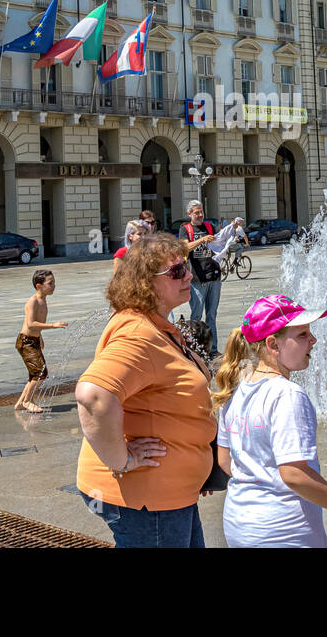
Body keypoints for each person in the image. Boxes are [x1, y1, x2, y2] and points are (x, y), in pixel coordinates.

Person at [75, 232, 217, 548]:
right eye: (177, 271)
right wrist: (121, 460)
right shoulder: (138, 333)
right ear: (146, 282)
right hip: (148, 499)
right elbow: (93, 396)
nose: (189, 275)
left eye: (186, 267)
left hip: (170, 494)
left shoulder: (159, 326)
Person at [212, 295, 327, 547]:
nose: (313, 340)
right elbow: (293, 474)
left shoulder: (236, 387)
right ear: (273, 344)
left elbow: (225, 459)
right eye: (303, 334)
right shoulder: (288, 395)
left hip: (240, 523)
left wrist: (259, 480)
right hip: (285, 531)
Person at [15, 269, 67, 412]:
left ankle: (20, 403)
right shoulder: (33, 301)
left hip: (34, 340)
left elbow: (36, 324)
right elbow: (31, 323)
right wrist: (53, 325)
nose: (54, 286)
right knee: (40, 373)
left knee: (34, 374)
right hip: (25, 342)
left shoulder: (43, 300)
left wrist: (40, 337)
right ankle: (27, 401)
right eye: (50, 283)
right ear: (39, 286)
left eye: (54, 282)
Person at [183, 200, 224, 355]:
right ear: (189, 214)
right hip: (197, 279)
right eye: (196, 212)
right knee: (196, 315)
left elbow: (218, 244)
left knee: (212, 315)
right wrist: (202, 239)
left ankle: (212, 350)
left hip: (214, 276)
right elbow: (184, 247)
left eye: (201, 211)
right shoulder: (185, 229)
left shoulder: (209, 227)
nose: (200, 215)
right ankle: (194, 350)